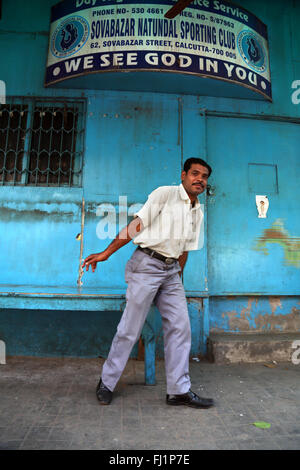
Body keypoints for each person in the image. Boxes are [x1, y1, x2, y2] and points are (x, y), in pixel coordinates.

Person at [82, 158, 214, 409]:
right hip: (147, 265)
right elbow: (136, 226)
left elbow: (185, 249)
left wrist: (178, 278)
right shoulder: (165, 194)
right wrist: (106, 253)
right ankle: (107, 383)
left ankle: (178, 391)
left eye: (204, 176)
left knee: (180, 327)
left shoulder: (197, 210)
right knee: (130, 329)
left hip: (171, 271)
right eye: (195, 174)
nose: (200, 180)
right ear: (184, 175)